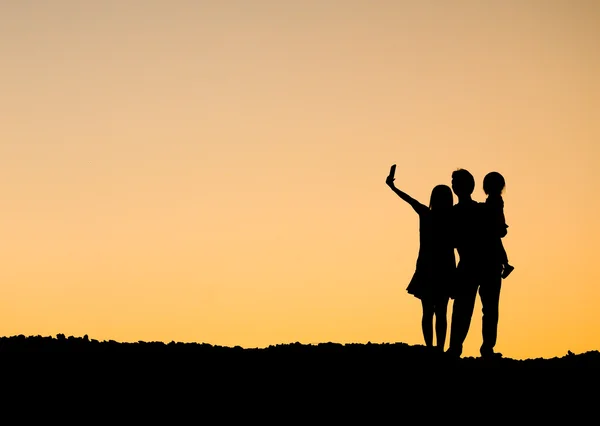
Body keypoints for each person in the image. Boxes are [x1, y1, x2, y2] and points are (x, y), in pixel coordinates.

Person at [385, 164, 456, 353]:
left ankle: (430, 348)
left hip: (427, 267)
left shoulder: (426, 213)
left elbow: (409, 199)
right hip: (445, 268)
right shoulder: (452, 217)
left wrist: (392, 187)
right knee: (442, 311)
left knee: (428, 312)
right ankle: (439, 349)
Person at [446, 168, 505, 359]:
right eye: (453, 182)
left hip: (480, 265)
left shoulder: (464, 212)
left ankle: (467, 348)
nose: (454, 185)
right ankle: (465, 348)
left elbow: (497, 234)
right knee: (476, 309)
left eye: (457, 182)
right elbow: (498, 233)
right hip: (480, 265)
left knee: (478, 309)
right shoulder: (477, 210)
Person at [483, 171, 514, 279]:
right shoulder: (497, 199)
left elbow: (491, 212)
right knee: (497, 244)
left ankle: (505, 263)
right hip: (498, 224)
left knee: (496, 243)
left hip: (495, 225)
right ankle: (505, 264)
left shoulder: (493, 200)